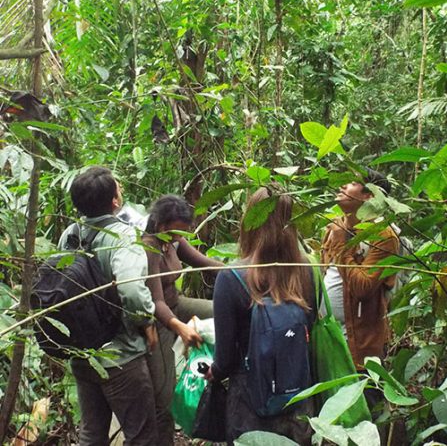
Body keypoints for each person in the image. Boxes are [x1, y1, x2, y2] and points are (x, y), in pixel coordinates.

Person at [206, 187, 315, 445]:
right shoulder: (307, 269)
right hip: (298, 398)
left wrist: (213, 372)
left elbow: (225, 359)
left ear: (250, 221)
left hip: (249, 403)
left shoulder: (230, 277)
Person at [58, 166, 158, 446]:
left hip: (81, 351)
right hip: (120, 356)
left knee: (91, 435)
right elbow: (131, 289)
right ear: (115, 201)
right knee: (142, 436)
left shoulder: (69, 234)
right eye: (118, 188)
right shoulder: (123, 237)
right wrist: (147, 323)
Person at [142, 195, 222, 445]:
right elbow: (156, 303)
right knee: (164, 392)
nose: (181, 236)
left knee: (221, 313)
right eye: (178, 231)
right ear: (162, 225)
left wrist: (245, 273)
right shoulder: (149, 246)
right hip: (159, 319)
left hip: (177, 303)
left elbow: (205, 263)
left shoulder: (174, 241)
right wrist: (182, 329)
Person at [320, 169, 399, 397]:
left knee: (362, 407)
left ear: (370, 196)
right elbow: (325, 273)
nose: (343, 186)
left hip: (360, 349)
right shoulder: (333, 227)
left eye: (352, 182)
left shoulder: (382, 236)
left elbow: (363, 288)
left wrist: (343, 245)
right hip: (328, 339)